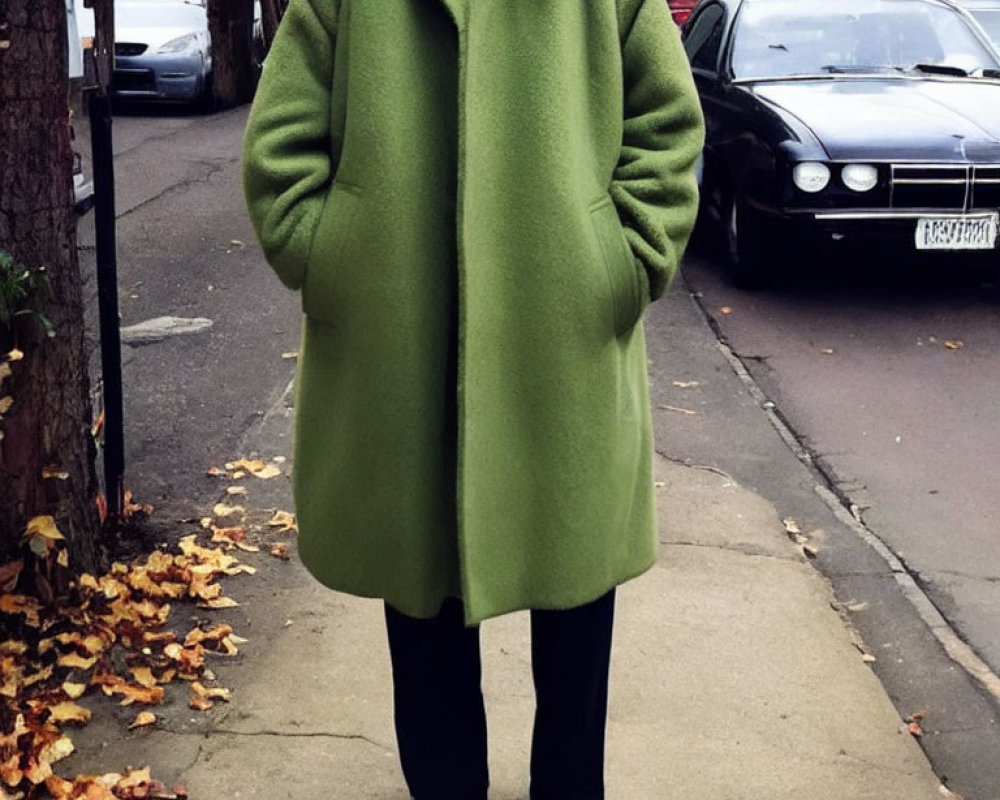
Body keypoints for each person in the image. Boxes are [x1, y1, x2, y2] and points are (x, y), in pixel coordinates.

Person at [242, 1, 704, 798]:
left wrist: (620, 260)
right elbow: (279, 146)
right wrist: (335, 253)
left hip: (565, 351)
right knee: (423, 615)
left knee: (577, 610)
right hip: (401, 352)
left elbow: (667, 122)